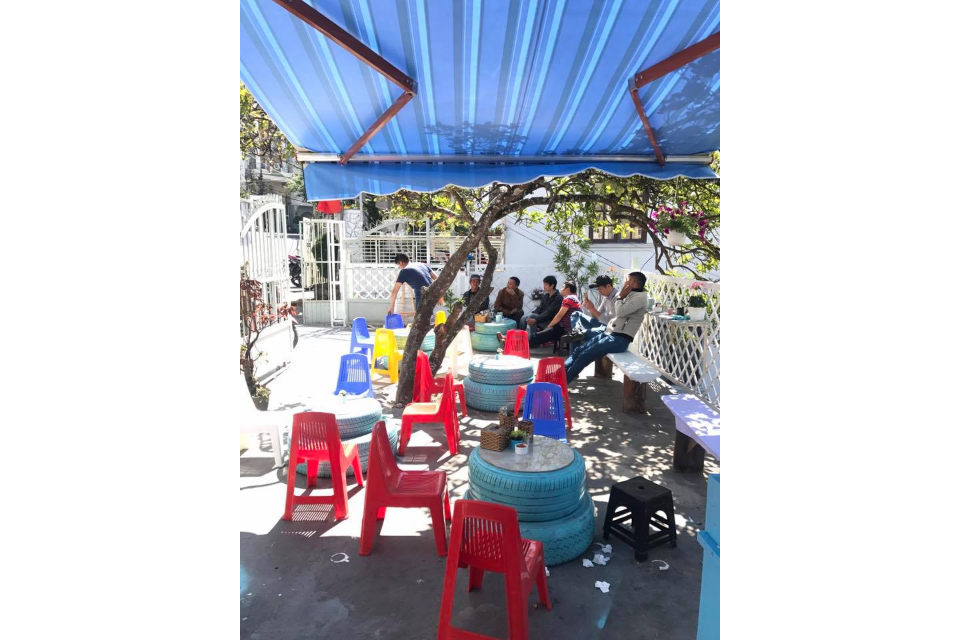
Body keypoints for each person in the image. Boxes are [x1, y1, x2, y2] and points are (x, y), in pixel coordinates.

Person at [564, 272, 648, 382]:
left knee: (585, 355)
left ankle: (561, 384)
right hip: (610, 333)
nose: (624, 282)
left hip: (620, 340)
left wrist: (620, 297)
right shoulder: (629, 295)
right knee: (579, 350)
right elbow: (599, 316)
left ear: (632, 283)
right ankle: (559, 374)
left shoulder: (639, 297)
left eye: (627, 280)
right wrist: (590, 308)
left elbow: (620, 312)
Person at [563, 275, 618, 345]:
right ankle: (576, 331)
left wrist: (592, 309)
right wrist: (590, 308)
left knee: (577, 338)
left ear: (608, 286)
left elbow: (611, 321)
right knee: (576, 314)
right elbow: (596, 317)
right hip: (602, 325)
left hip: (610, 329)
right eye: (598, 290)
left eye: (600, 289)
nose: (599, 292)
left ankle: (577, 335)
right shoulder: (606, 297)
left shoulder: (618, 297)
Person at [529, 282, 581, 348]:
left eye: (563, 287)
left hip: (564, 329)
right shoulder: (575, 298)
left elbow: (559, 315)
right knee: (538, 335)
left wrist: (548, 327)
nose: (561, 289)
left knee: (534, 337)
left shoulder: (569, 299)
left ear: (568, 289)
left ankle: (523, 348)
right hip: (570, 327)